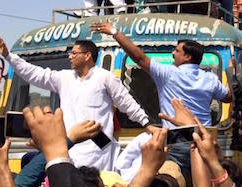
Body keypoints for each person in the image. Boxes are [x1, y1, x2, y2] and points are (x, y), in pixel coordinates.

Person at [91, 22, 232, 174]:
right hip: (204, 141)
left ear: (187, 57)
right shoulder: (210, 79)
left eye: (177, 51)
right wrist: (231, 76)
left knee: (171, 180)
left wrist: (115, 32)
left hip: (176, 142)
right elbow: (227, 97)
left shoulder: (168, 74)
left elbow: (138, 57)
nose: (173, 53)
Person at [0, 35, 150, 170]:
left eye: (74, 53)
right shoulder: (64, 78)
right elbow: (35, 74)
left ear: (87, 55)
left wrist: (147, 124)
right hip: (69, 147)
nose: (70, 56)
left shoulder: (105, 78)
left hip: (97, 151)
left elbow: (127, 103)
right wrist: (9, 56)